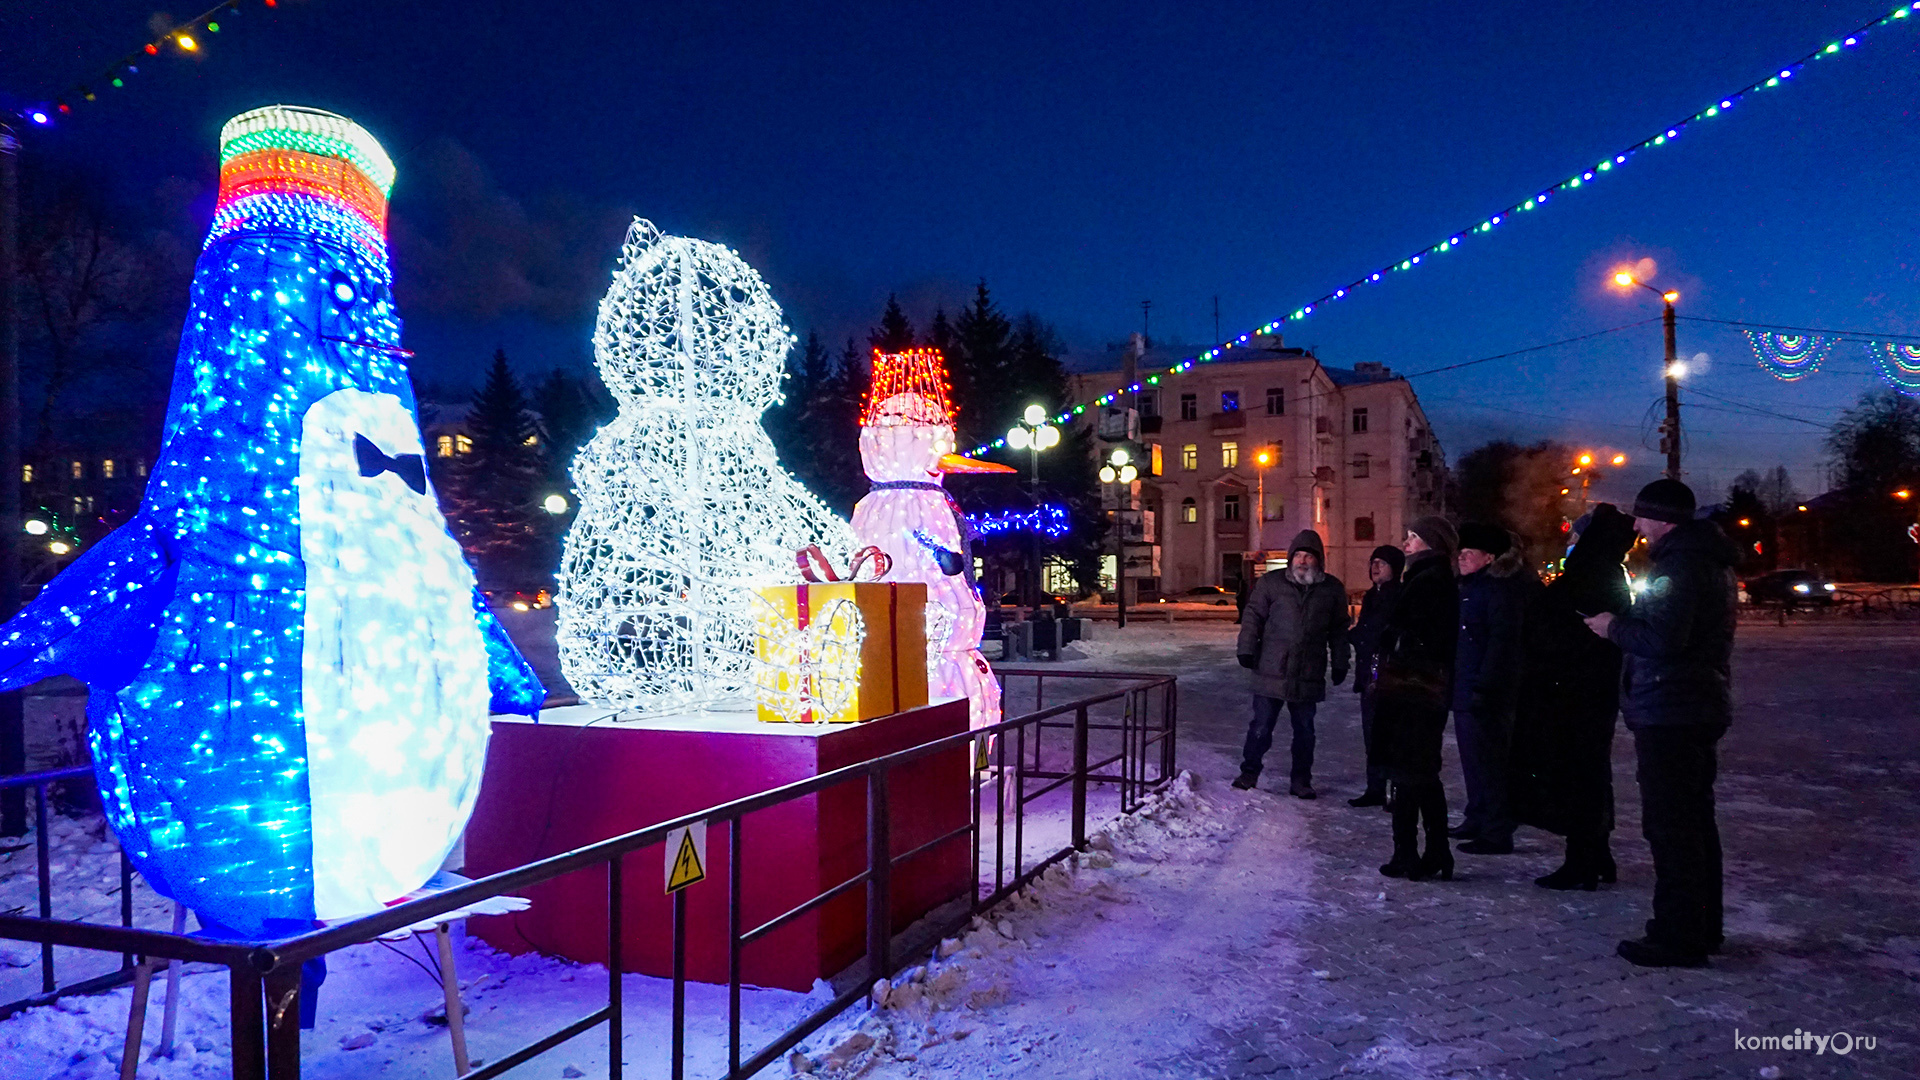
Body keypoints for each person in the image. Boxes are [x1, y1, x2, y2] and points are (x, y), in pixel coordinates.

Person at [1583, 479, 1738, 968]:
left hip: (1673, 707)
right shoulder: (1702, 559)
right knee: (1692, 821)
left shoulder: (1681, 564)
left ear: (1663, 519)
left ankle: (1678, 935)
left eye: (1641, 515)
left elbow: (1665, 638)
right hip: (1689, 703)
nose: (1635, 525)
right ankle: (1701, 926)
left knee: (1672, 826)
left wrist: (1612, 627)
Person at [1510, 504, 1636, 890]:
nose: (1570, 543)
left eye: (1576, 537)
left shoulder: (1589, 575)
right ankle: (1596, 854)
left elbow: (1561, 628)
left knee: (1578, 774)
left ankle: (1582, 860)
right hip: (1586, 689)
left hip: (1572, 691)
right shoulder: (1606, 574)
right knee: (1590, 772)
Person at [1373, 517, 1460, 881]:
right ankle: (1431, 851)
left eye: (1413, 538)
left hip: (1415, 690)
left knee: (1412, 772)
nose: (1406, 543)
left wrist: (1393, 639)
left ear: (1430, 544)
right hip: (1416, 688)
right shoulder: (1427, 578)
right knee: (1419, 773)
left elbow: (1420, 636)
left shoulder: (1429, 582)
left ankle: (1409, 852)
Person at [1233, 530, 1350, 798]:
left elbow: (1339, 630)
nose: (1303, 561)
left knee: (1305, 732)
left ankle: (1301, 780)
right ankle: (1249, 772)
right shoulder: (1271, 584)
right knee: (1261, 727)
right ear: (1290, 558)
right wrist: (1247, 648)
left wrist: (1341, 662)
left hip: (1308, 671)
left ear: (1318, 560)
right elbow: (1253, 616)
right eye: (1298, 555)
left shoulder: (1331, 589)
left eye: (1309, 556)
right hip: (1271, 669)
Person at [1448, 522, 1539, 856]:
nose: (1461, 558)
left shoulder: (1498, 591)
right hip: (1468, 686)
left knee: (1491, 761)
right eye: (1460, 552)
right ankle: (1478, 815)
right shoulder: (1471, 587)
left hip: (1486, 691)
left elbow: (1500, 645)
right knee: (1473, 759)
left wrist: (1485, 687)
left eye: (1468, 553)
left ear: (1487, 558)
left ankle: (1496, 829)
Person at [1347, 544, 1405, 807]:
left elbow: (1387, 635)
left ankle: (1395, 792)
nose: (1375, 567)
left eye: (1382, 563)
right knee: (1371, 734)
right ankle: (1375, 788)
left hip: (1390, 676)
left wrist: (1366, 639)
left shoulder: (1400, 597)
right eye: (1373, 562)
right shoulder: (1372, 596)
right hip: (1369, 675)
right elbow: (1365, 632)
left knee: (1391, 736)